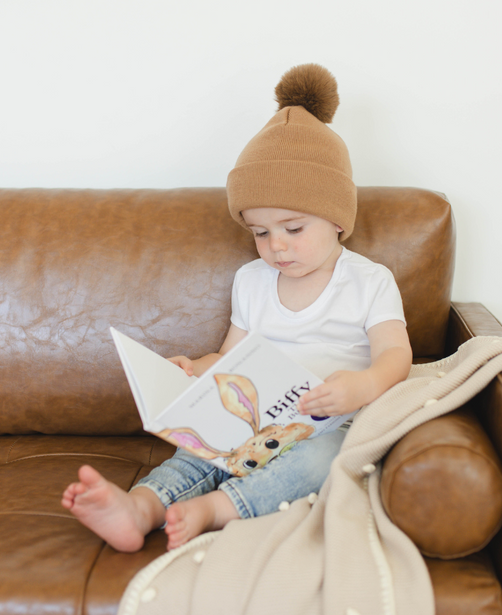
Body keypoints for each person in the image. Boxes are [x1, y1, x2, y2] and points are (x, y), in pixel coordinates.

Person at [61, 63, 412, 552]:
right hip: (255, 420)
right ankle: (140, 506)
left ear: (337, 219)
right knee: (198, 451)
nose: (277, 247)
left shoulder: (369, 280)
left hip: (332, 425)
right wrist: (195, 371)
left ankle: (218, 510)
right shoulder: (252, 281)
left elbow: (397, 355)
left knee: (319, 462)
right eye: (260, 232)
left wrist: (365, 384)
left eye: (294, 229)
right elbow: (231, 357)